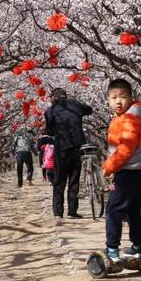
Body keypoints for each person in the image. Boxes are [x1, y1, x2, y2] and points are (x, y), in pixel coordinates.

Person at [101, 78, 141, 262]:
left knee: (114, 209)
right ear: (108, 100)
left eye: (123, 96)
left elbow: (125, 149)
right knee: (132, 209)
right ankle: (138, 247)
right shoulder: (125, 117)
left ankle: (112, 249)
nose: (118, 101)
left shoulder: (129, 119)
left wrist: (108, 166)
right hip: (136, 171)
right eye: (114, 97)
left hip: (127, 170)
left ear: (131, 98)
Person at [45, 87, 93, 219]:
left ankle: (58, 212)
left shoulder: (51, 110)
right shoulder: (75, 105)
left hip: (62, 147)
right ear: (66, 96)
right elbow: (89, 109)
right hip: (78, 146)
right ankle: (72, 211)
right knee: (74, 178)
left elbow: (49, 131)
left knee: (59, 179)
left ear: (53, 98)